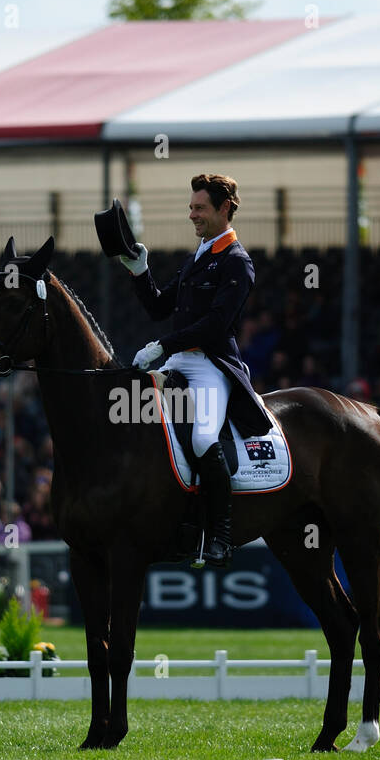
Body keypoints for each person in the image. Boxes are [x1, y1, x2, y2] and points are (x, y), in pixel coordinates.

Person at [118, 173, 272, 567]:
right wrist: (139, 271)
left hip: (210, 366)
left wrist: (162, 345)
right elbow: (157, 307)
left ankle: (219, 537)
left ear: (224, 209)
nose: (192, 215)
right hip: (177, 361)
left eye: (199, 208)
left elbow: (216, 325)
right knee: (128, 416)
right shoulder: (198, 257)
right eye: (191, 207)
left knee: (204, 438)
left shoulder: (238, 262)